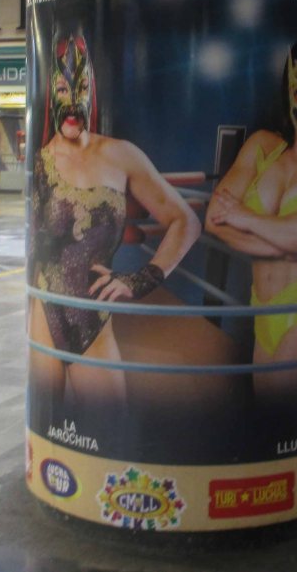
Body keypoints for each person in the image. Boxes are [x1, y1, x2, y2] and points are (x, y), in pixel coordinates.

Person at [28, 33, 201, 408]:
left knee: (110, 421)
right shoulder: (40, 164)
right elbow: (36, 249)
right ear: (51, 95)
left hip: (93, 321)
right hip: (44, 313)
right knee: (49, 419)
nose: (72, 102)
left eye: (80, 88)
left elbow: (185, 221)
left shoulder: (121, 155)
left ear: (92, 91)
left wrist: (140, 279)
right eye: (62, 89)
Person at [205, 35, 297, 398]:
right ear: (288, 93)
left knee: (281, 416)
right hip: (261, 309)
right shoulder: (262, 147)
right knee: (265, 414)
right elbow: (214, 217)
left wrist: (246, 217)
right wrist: (279, 243)